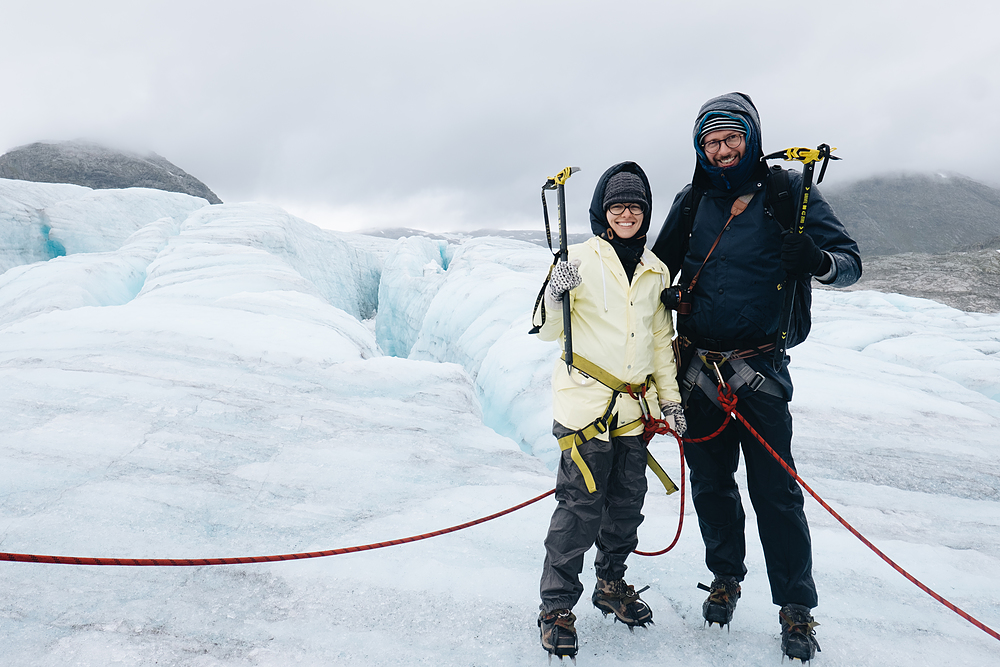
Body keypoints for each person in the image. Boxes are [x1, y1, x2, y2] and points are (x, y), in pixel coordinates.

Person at [651, 92, 861, 662]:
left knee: (776, 491)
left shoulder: (789, 193)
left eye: (731, 139)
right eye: (710, 142)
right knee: (713, 486)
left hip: (760, 371)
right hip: (698, 372)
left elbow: (849, 263)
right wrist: (659, 293)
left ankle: (796, 607)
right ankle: (726, 576)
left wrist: (816, 260)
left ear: (752, 138)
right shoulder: (689, 202)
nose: (721, 151)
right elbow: (652, 269)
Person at [531, 162, 686, 660]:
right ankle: (556, 607)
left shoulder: (656, 270)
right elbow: (547, 327)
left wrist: (672, 401)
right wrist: (556, 292)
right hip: (585, 408)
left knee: (625, 506)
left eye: (635, 207)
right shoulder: (576, 260)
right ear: (603, 211)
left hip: (634, 413)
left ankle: (610, 584)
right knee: (579, 510)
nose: (626, 214)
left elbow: (662, 342)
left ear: (645, 214)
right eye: (618, 206)